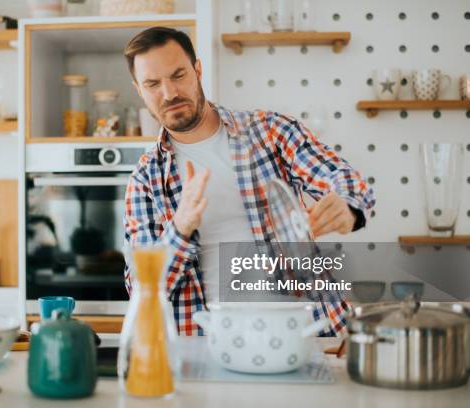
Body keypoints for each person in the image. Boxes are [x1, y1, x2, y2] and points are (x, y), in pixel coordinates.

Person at [122, 27, 375, 336]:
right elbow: (143, 287)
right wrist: (181, 228)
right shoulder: (145, 178)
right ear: (139, 89)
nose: (169, 93)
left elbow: (339, 177)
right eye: (152, 83)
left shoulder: (270, 131)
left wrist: (348, 206)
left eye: (178, 75)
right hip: (209, 347)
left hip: (305, 333)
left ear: (197, 70)